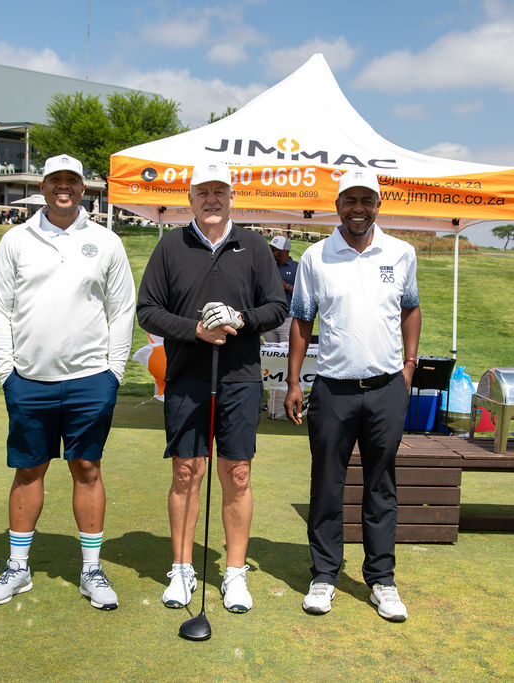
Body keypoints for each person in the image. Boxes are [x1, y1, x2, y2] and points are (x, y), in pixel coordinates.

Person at [0, 154, 136, 611]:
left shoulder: (105, 241)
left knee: (87, 468)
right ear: (43, 187)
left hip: (90, 379)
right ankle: (18, 568)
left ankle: (91, 570)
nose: (63, 187)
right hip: (30, 379)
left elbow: (122, 309)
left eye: (72, 181)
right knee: (29, 470)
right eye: (55, 180)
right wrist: (6, 372)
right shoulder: (17, 239)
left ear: (83, 188)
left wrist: (113, 373)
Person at [136, 162, 287, 614]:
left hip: (240, 378)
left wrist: (242, 319)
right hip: (187, 377)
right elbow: (148, 310)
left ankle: (234, 572)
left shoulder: (254, 245)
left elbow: (277, 307)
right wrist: (195, 330)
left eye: (219, 191)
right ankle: (182, 568)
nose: (211, 199)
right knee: (187, 472)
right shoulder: (171, 245)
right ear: (190, 198)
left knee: (237, 473)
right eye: (202, 192)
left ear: (232, 197)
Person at [284, 169, 421, 622]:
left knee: (381, 485)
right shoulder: (315, 256)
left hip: (386, 388)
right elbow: (302, 320)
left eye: (366, 200)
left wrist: (409, 366)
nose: (357, 208)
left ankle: (382, 580)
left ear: (378, 205)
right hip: (333, 389)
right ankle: (324, 575)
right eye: (350, 200)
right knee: (327, 485)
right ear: (337, 205)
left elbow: (410, 308)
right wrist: (293, 381)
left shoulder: (401, 253)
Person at [261, 235, 298, 344]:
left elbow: (304, 294)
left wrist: (286, 286)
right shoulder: (269, 266)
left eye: (274, 250)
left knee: (286, 352)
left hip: (287, 320)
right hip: (270, 319)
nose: (271, 252)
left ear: (284, 252)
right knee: (270, 352)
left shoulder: (297, 267)